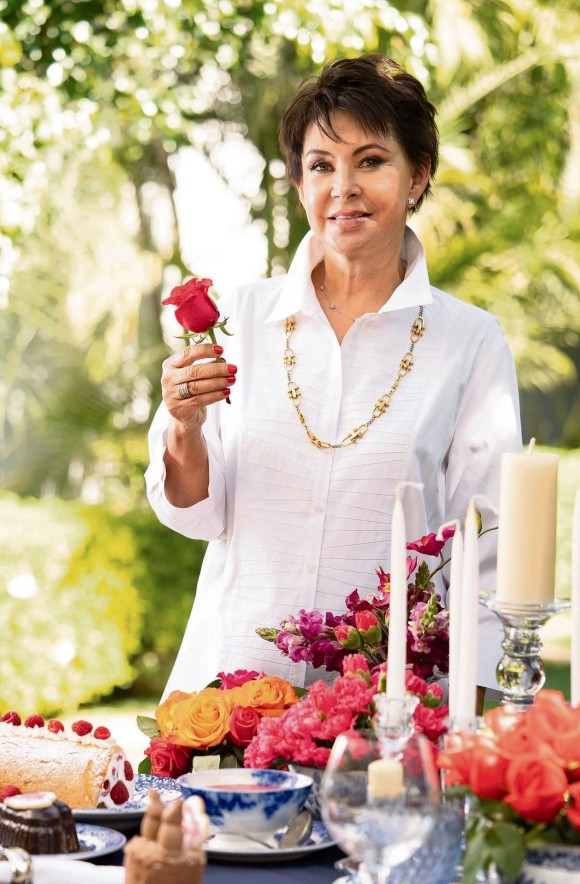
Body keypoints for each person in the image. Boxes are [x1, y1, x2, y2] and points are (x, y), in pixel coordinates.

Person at [146, 53, 521, 700]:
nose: (343, 187)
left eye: (370, 161)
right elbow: (194, 514)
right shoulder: (240, 318)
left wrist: (472, 714)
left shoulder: (471, 341)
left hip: (386, 706)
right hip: (229, 696)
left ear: (417, 176)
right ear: (300, 185)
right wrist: (184, 426)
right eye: (321, 165)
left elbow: (487, 551)